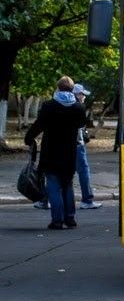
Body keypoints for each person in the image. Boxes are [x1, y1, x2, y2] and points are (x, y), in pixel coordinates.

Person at [25, 76, 88, 230]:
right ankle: (70, 219)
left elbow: (39, 125)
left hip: (51, 151)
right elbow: (81, 123)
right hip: (69, 152)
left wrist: (29, 138)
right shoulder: (78, 108)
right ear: (72, 89)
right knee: (67, 184)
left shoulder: (49, 106)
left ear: (58, 88)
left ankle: (57, 220)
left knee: (53, 185)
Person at [73, 84, 102, 209]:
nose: (84, 97)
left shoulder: (63, 106)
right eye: (82, 94)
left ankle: (48, 198)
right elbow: (81, 125)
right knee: (83, 171)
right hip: (77, 145)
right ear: (77, 95)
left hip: (64, 145)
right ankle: (87, 200)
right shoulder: (78, 107)